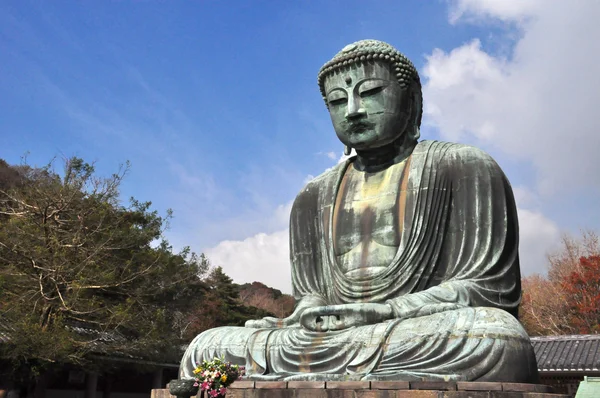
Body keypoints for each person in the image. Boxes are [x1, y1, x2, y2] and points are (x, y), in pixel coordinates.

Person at [180, 40, 539, 382]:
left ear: (411, 100)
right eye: (338, 101)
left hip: (412, 327)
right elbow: (312, 297)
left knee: (496, 337)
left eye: (369, 93)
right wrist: (306, 313)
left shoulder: (463, 166)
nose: (353, 110)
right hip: (331, 338)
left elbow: (489, 290)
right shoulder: (312, 195)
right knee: (205, 348)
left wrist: (388, 310)